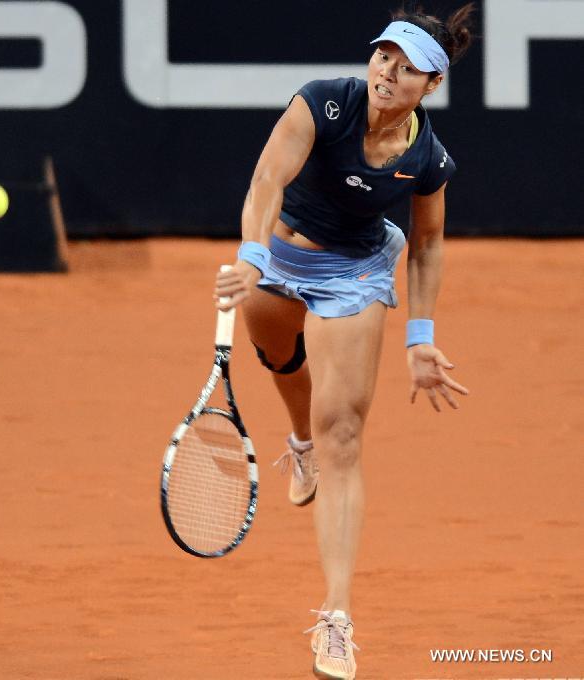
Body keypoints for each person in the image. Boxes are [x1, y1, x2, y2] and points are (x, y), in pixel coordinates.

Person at [214, 5, 475, 678]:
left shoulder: (427, 158)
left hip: (355, 274)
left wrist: (421, 336)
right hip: (277, 257)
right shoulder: (323, 104)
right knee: (277, 356)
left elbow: (428, 244)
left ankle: (336, 619)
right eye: (385, 55)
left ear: (432, 84)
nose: (389, 71)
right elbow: (268, 179)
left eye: (408, 65)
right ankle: (297, 441)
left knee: (346, 437)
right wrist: (250, 257)